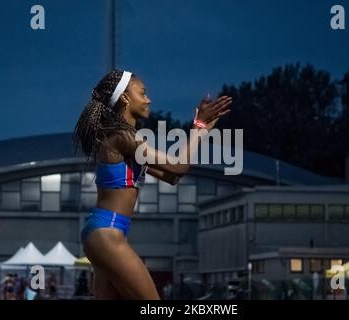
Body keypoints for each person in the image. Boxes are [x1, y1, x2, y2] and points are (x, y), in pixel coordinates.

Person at [74, 69, 232, 299]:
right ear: (126, 99)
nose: (149, 99)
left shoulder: (123, 137)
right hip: (106, 234)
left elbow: (172, 176)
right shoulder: (123, 137)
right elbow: (178, 165)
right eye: (143, 93)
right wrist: (198, 127)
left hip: (100, 233)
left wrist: (203, 130)